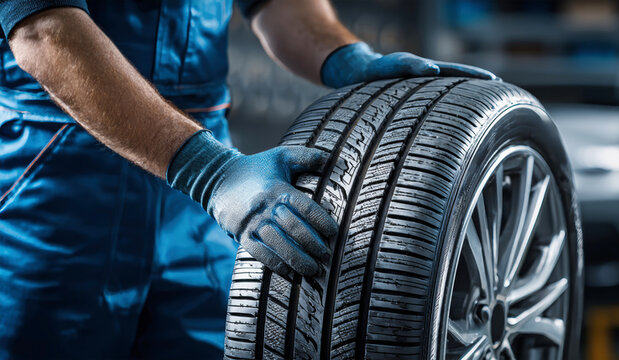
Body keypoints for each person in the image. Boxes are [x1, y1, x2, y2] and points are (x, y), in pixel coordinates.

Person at [0, 1, 496, 358]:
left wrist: (344, 56)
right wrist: (209, 171)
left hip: (206, 196)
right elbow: (44, 31)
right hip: (63, 185)